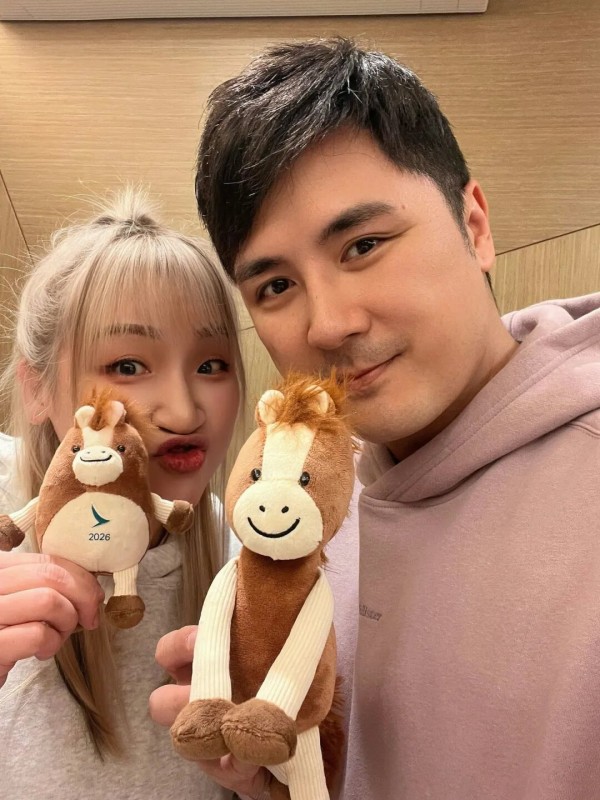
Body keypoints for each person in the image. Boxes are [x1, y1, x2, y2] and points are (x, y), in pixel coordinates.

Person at [150, 37, 600, 800]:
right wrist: (274, 779)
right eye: (275, 287)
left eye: (363, 245)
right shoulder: (310, 496)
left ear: (475, 224)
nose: (328, 323)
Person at [0, 188, 243, 800]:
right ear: (36, 387)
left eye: (212, 365)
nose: (184, 412)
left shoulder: (248, 560)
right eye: (128, 366)